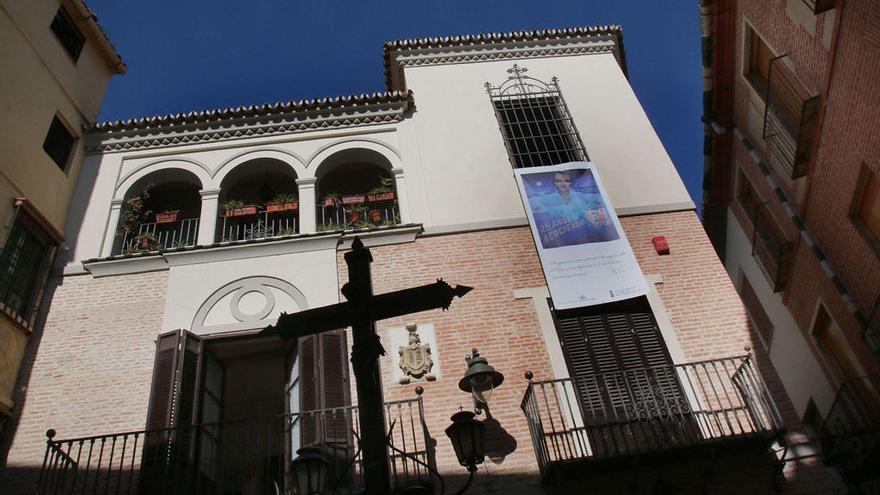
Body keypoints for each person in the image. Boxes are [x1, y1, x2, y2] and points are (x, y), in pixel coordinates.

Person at [529, 171, 619, 248]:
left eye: (567, 181)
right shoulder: (547, 199)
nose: (563, 184)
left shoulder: (581, 196)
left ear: (571, 183)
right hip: (562, 241)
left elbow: (601, 199)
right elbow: (532, 206)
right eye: (558, 181)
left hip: (587, 239)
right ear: (554, 183)